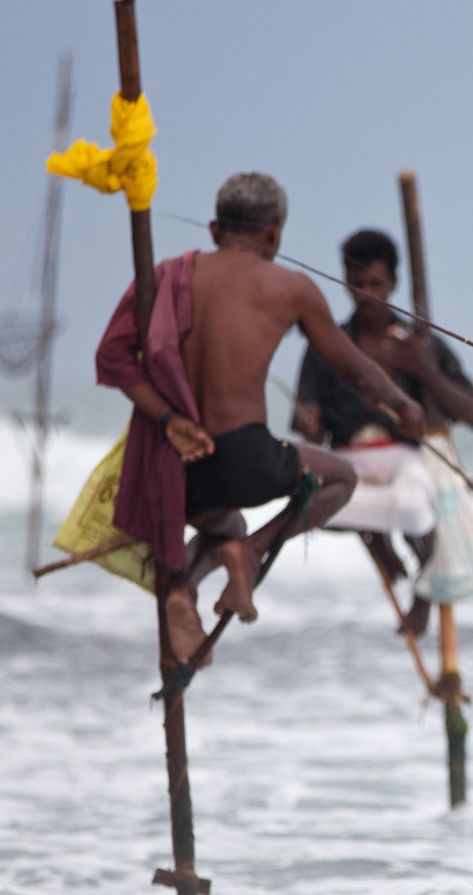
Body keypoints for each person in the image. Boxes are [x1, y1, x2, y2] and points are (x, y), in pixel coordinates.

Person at [95, 172, 422, 663]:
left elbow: (112, 359)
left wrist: (168, 421)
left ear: (213, 230)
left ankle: (183, 591)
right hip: (248, 458)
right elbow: (356, 372)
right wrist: (404, 404)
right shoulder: (291, 287)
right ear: (274, 233)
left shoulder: (164, 277)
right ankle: (252, 551)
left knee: (223, 523)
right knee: (341, 478)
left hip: (176, 467)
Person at [293, 227, 473, 635]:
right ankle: (379, 541)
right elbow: (310, 426)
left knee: (417, 508)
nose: (366, 294)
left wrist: (426, 372)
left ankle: (422, 596)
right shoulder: (327, 343)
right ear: (345, 282)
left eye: (375, 284)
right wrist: (306, 421)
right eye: (357, 284)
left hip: (403, 455)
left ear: (393, 284)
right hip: (346, 459)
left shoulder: (418, 341)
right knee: (310, 507)